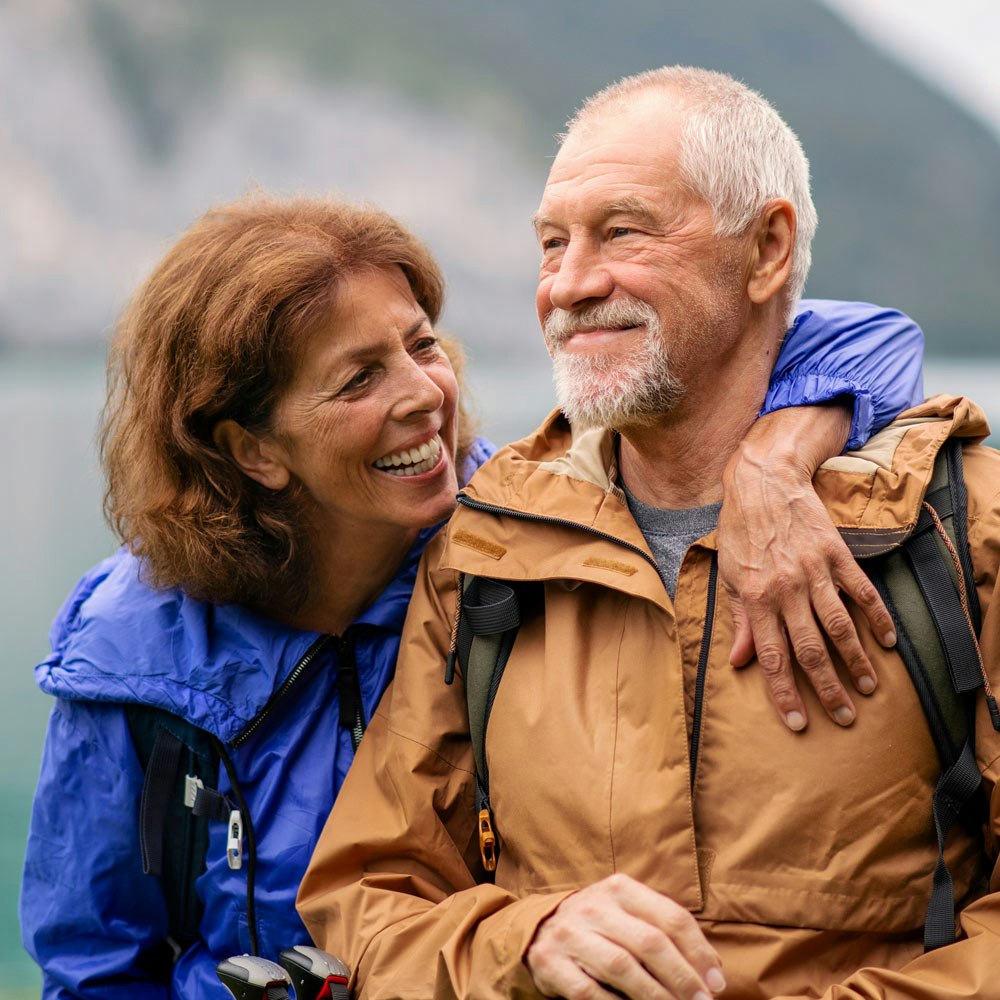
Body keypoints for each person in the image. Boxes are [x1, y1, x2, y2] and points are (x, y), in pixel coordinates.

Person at [20, 192, 918, 997]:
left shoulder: (522, 537)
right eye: (359, 378)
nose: (427, 395)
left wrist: (777, 454)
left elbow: (873, 337)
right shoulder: (133, 653)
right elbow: (95, 965)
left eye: (422, 345)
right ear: (253, 449)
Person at [296, 68, 1000, 999]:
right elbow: (368, 894)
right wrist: (529, 939)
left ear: (767, 250)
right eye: (552, 243)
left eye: (622, 231)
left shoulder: (962, 528)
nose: (571, 285)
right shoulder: (487, 546)